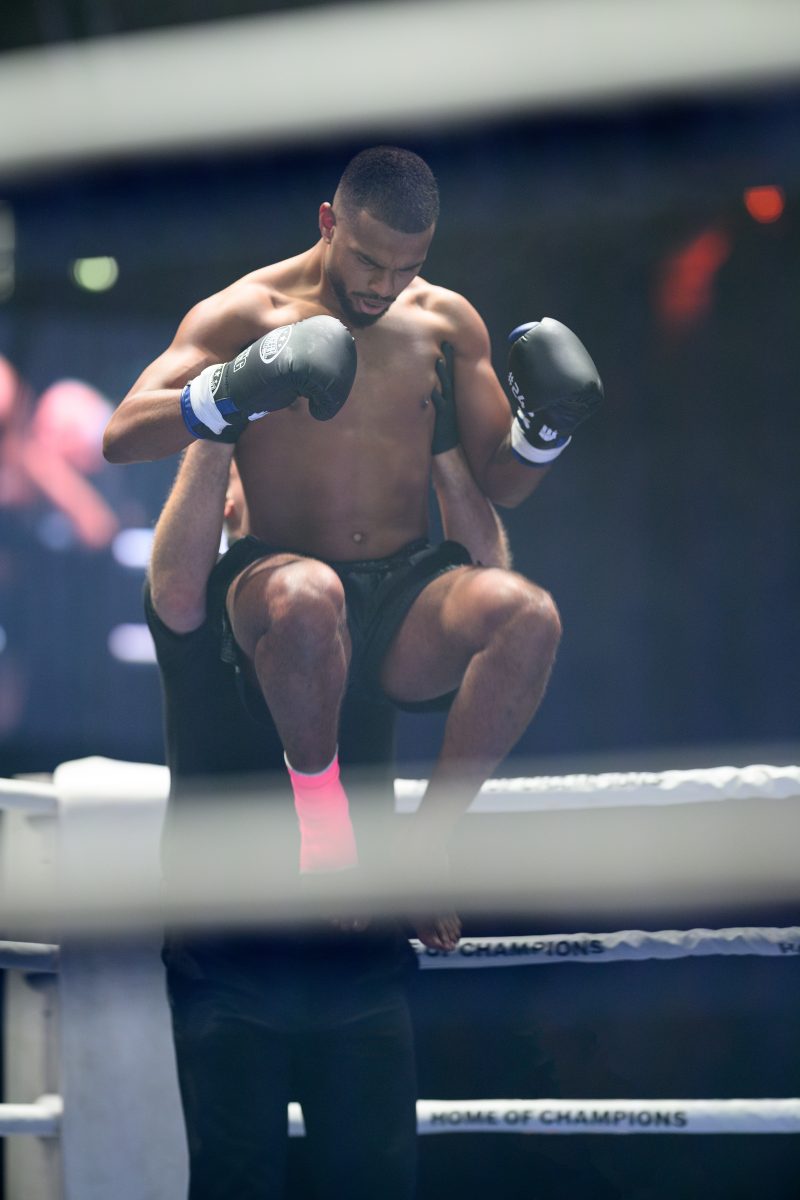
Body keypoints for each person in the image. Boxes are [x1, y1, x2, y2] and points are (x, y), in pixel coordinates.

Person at [105, 143, 601, 940]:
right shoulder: (248, 312)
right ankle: (326, 827)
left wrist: (544, 435)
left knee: (528, 616)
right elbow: (124, 434)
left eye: (406, 268)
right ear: (329, 221)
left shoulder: (443, 321)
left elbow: (498, 481)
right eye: (369, 260)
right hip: (277, 578)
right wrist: (229, 391)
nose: (382, 285)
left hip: (403, 590)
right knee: (308, 597)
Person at [146, 393, 511, 1198]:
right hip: (228, 952)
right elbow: (175, 581)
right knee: (237, 1183)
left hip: (359, 951)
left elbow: (493, 598)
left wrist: (443, 442)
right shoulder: (204, 606)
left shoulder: (372, 608)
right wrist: (221, 418)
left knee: (377, 1183)